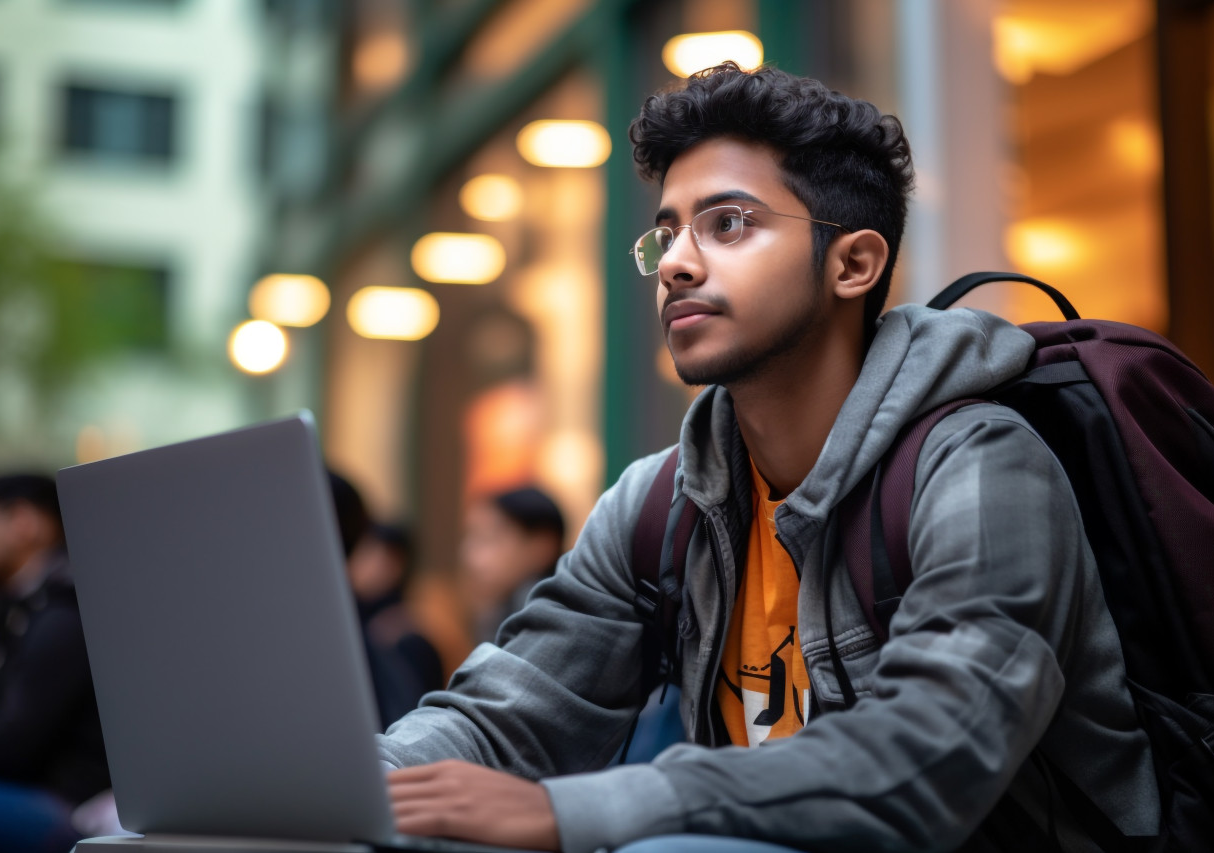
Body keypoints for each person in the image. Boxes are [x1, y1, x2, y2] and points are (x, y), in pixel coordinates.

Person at [378, 64, 1158, 852]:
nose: (678, 262)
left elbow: (931, 754)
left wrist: (579, 810)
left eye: (728, 224)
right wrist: (352, 789)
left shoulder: (979, 464)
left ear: (853, 264)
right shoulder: (661, 503)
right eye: (669, 232)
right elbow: (508, 714)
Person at [0, 473, 109, 853]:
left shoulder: (66, 610)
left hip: (68, 807)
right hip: (27, 796)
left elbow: (15, 738)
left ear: (23, 522)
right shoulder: (22, 609)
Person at [347, 521, 445, 727]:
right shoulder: (348, 615)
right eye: (368, 553)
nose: (375, 566)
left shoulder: (409, 631)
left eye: (387, 558)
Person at [458, 486, 565, 646]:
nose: (468, 555)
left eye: (487, 539)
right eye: (470, 537)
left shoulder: (549, 623)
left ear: (541, 546)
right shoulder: (496, 612)